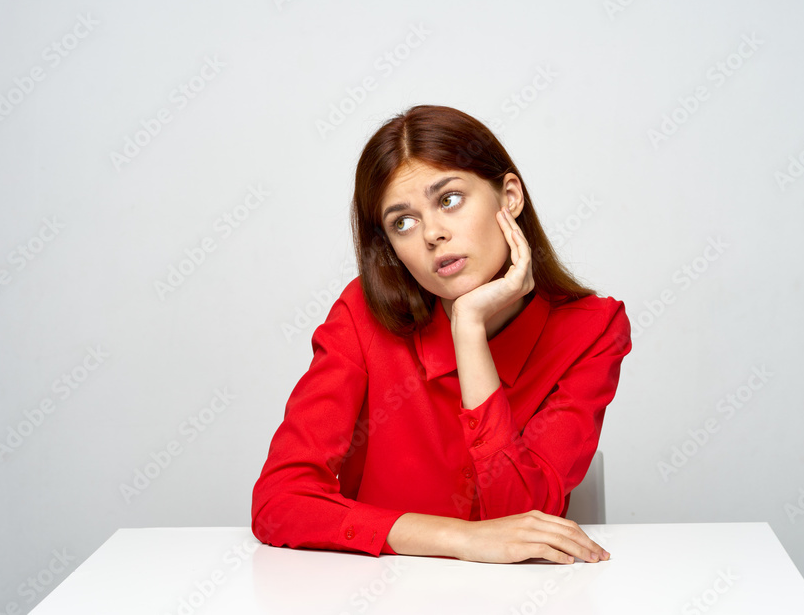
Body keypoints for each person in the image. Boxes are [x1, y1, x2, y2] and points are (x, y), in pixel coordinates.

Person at [251, 104, 631, 565]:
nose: (432, 234)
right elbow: (278, 504)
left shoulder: (592, 329)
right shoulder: (362, 316)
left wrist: (467, 328)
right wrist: (460, 538)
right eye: (402, 222)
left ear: (509, 197)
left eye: (449, 199)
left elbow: (519, 519)